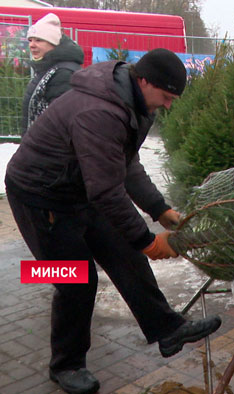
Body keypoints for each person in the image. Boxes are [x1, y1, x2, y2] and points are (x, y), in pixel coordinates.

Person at [5, 48, 221, 394]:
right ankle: (67, 365)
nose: (168, 105)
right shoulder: (99, 111)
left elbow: (125, 165)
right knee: (76, 279)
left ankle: (166, 329)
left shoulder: (135, 104)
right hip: (39, 196)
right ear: (144, 80)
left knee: (125, 252)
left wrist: (159, 209)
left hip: (80, 188)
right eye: (166, 96)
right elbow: (106, 190)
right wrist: (148, 241)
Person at [21, 12, 84, 135]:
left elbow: (62, 122)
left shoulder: (64, 73)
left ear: (53, 43)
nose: (32, 45)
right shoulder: (47, 69)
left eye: (39, 40)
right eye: (30, 40)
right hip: (37, 147)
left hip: (49, 150)